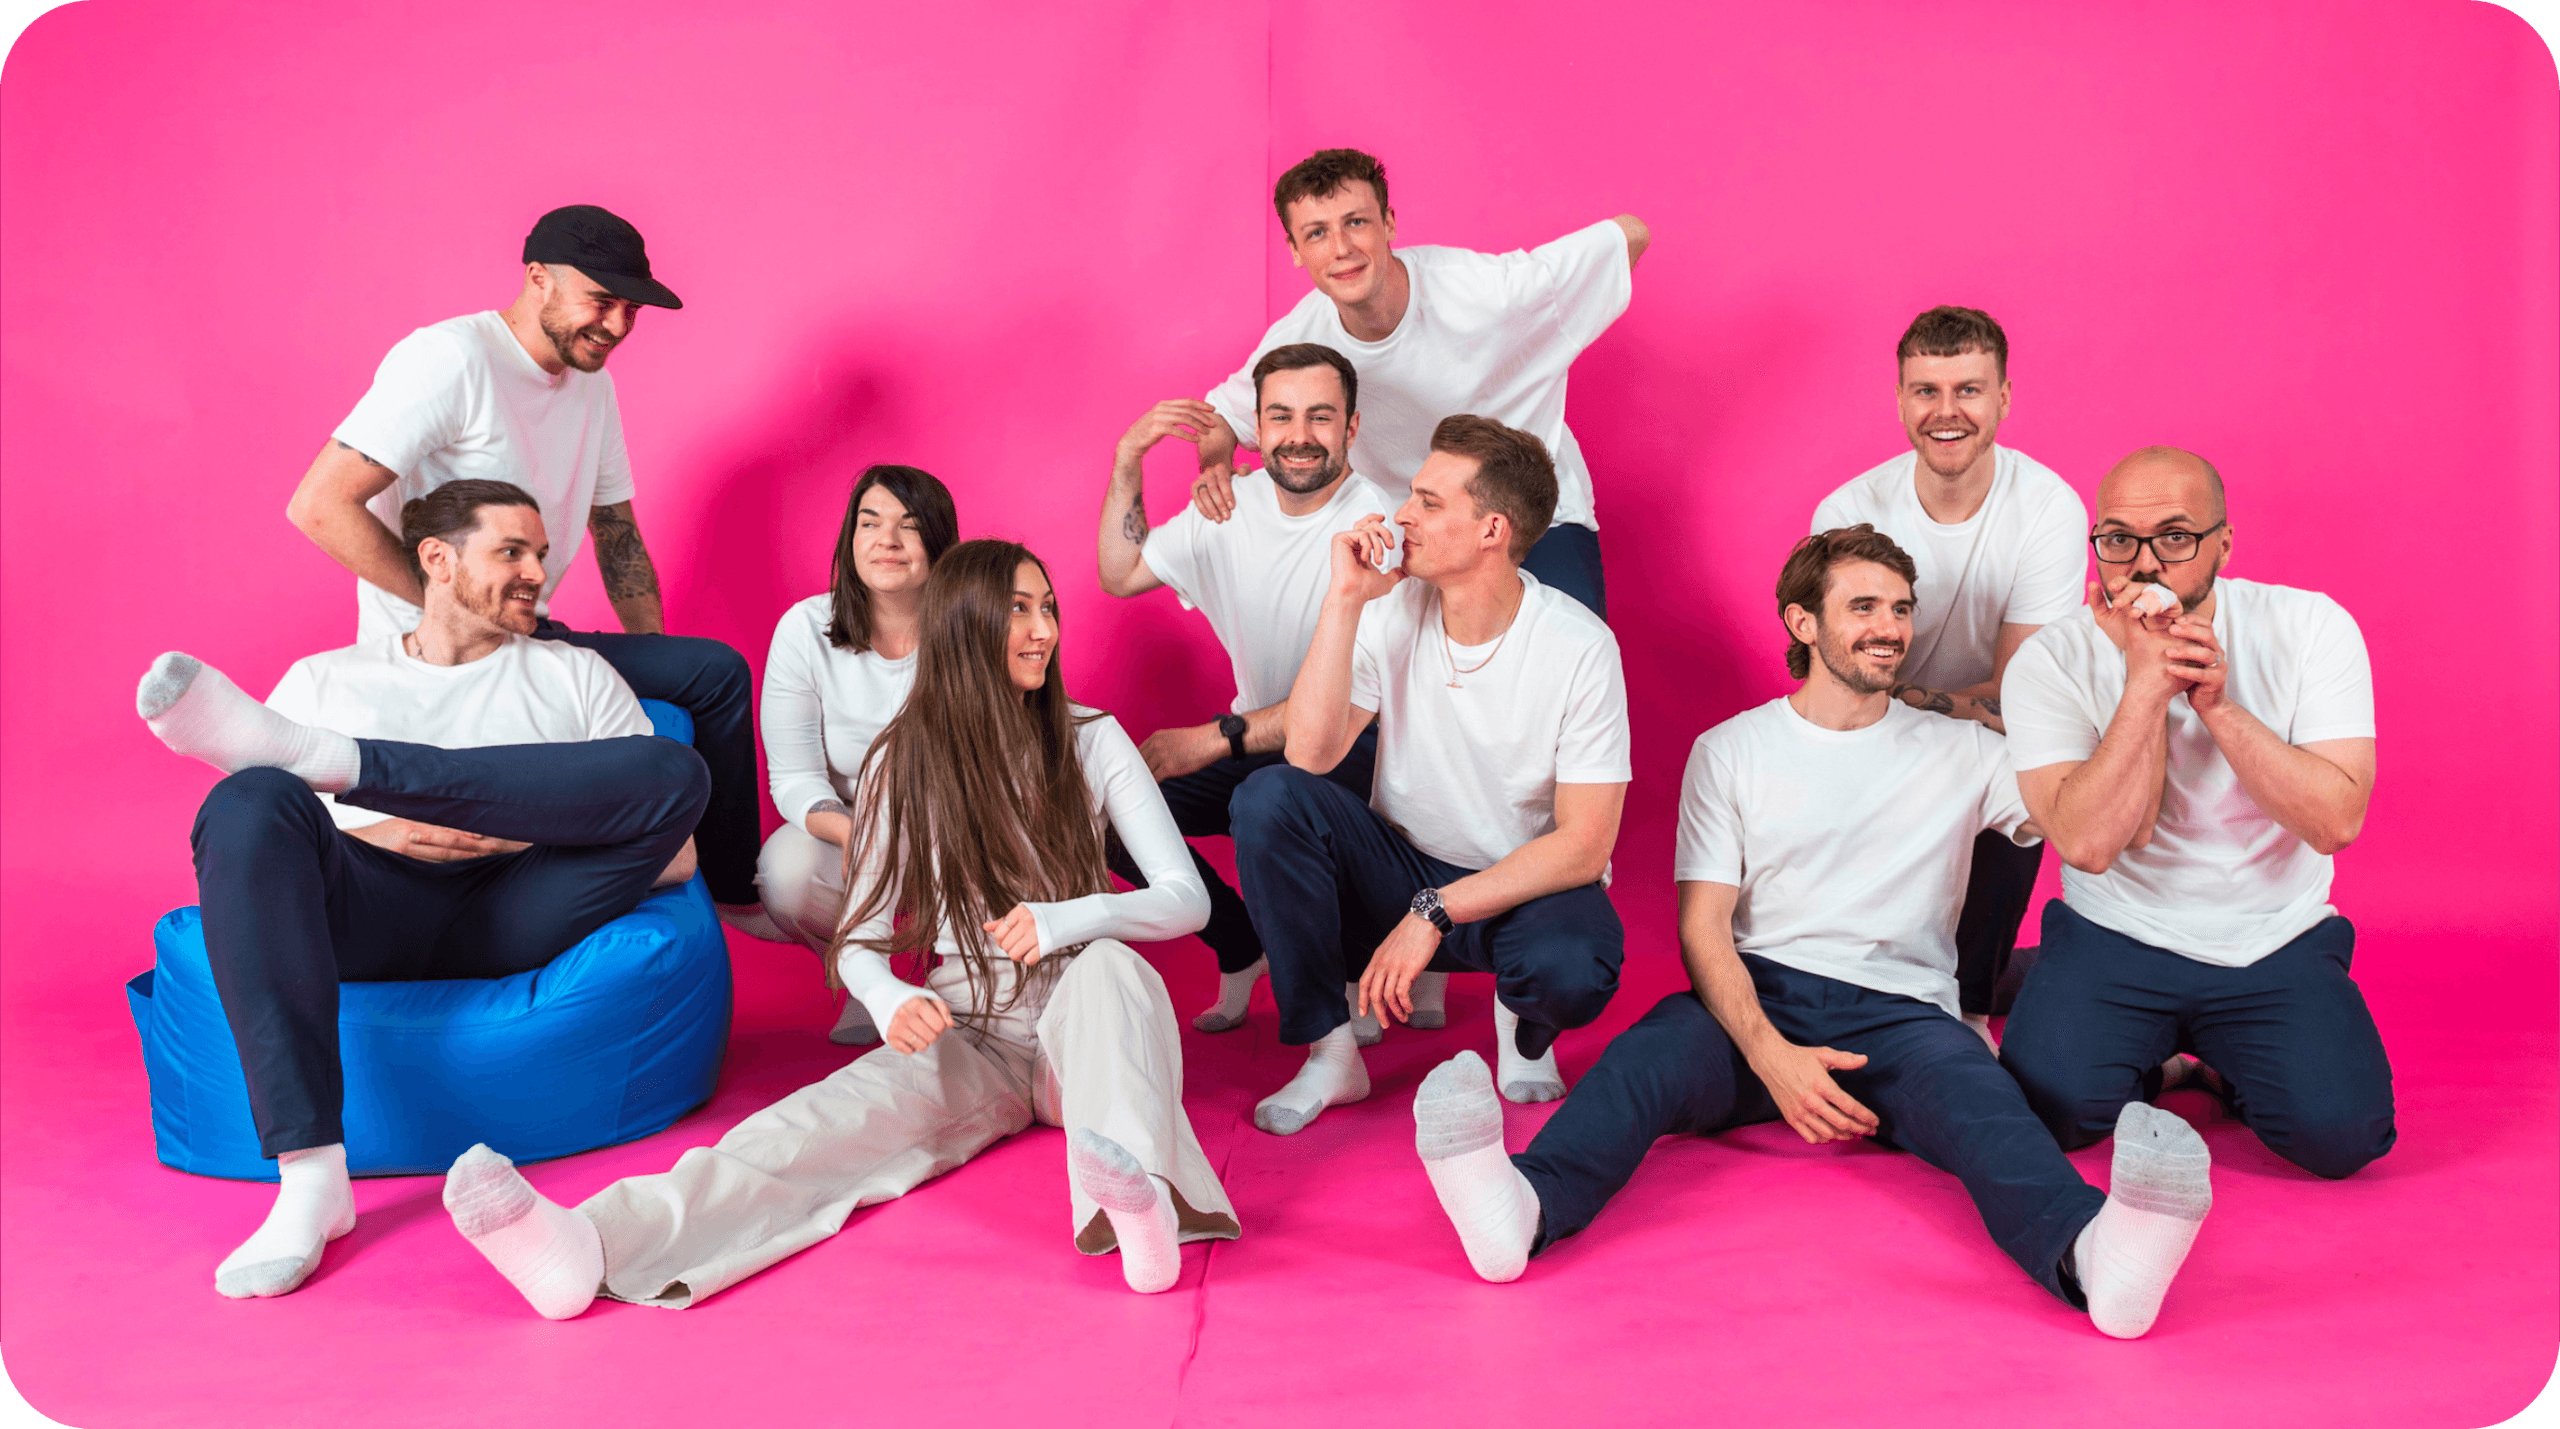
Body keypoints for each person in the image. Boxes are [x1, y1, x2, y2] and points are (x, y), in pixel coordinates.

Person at [1409, 526, 2214, 1340]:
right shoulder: (1731, 751)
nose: (1889, 626)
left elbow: (2091, 823)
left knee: (1989, 1107)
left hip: (1904, 1014)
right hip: (1756, 998)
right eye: (1862, 605)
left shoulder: (1970, 752)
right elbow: (1703, 930)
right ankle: (1525, 1207)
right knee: (1641, 1065)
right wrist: (1772, 1058)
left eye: (1900, 608)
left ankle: (2092, 1257)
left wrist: (2134, 676)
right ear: (1803, 623)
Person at [442, 540, 1240, 1317]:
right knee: (814, 1124)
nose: (1044, 630)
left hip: (1087, 1022)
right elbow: (860, 933)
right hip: (972, 1030)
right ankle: (594, 1246)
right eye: (1019, 610)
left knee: (1108, 965)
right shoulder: (906, 760)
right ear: (965, 625)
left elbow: (1185, 899)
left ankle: (1142, 1214)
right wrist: (887, 992)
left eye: (1048, 608)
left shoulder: (1091, 737)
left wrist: (1068, 917)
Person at [135, 480, 708, 1301]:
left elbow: (678, 849)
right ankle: (311, 1179)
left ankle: (356, 764)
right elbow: (250, 868)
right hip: (371, 902)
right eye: (511, 551)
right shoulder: (326, 679)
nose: (535, 573)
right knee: (244, 798)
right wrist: (376, 830)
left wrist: (517, 832)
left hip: (523, 899)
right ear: (437, 560)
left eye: (541, 555)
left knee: (674, 769)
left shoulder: (574, 674)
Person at [283, 204, 767, 934]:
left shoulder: (591, 383)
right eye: (600, 301)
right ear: (536, 277)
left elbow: (617, 531)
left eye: (630, 309)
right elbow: (319, 504)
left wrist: (650, 655)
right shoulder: (451, 359)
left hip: (528, 628)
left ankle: (736, 892)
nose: (616, 325)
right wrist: (444, 607)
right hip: (436, 640)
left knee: (714, 672)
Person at [1997, 448, 2392, 1180]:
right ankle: (2171, 1063)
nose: (2143, 564)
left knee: (2343, 1136)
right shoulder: (2050, 660)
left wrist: (2215, 705)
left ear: (2224, 543)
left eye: (2175, 537)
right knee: (2047, 1111)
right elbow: (2089, 842)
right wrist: (2142, 681)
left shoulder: (2309, 627)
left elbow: (2336, 819)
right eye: (2118, 539)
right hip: (2117, 930)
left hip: (2272, 937)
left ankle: (2215, 1057)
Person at [1234, 415, 1630, 1132]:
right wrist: (1345, 599)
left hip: (1516, 887)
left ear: (1492, 530)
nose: (1402, 516)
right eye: (1410, 496)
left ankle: (1525, 1019)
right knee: (1267, 799)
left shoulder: (1579, 646)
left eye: (1429, 501)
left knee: (1574, 966)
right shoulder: (1394, 610)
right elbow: (1310, 757)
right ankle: (1331, 1054)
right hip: (1397, 867)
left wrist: (1436, 912)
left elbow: (1585, 845)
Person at [1096, 342, 1432, 1035]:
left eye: (1319, 417)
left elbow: (1334, 716)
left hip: (1366, 751)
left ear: (1352, 428)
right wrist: (1129, 455)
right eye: (1280, 417)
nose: (1299, 436)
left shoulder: (1383, 531)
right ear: (1258, 424)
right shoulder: (1231, 508)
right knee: (1104, 809)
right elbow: (1121, 570)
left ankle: (1352, 969)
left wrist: (1213, 738)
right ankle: (1239, 943)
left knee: (1268, 800)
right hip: (1258, 740)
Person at [1184, 149, 1646, 618]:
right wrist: (1214, 466)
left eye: (1357, 223)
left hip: (1532, 517)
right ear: (1296, 251)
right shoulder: (1300, 342)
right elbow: (1220, 417)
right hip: (1412, 538)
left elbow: (1632, 233)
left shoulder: (1487, 292)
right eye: (1318, 233)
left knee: (1563, 670)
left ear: (1389, 223)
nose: (1341, 248)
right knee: (1417, 684)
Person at [1809, 306, 2088, 1040]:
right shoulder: (1850, 511)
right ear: (1900, 399)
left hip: (1988, 737)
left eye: (1968, 389)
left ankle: (1969, 1011)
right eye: (1925, 390)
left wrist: (1911, 703)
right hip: (1872, 737)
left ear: (2004, 397)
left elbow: (2026, 695)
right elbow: (1835, 682)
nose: (1946, 411)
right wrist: (1900, 713)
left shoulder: (2048, 508)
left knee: (2027, 761)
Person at [758, 465, 961, 1046]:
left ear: (939, 543)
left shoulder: (971, 627)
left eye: (910, 526)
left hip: (953, 827)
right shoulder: (805, 628)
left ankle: (962, 979)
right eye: (869, 523)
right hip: (849, 828)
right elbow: (794, 777)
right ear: (851, 539)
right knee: (787, 872)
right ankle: (860, 972)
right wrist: (856, 835)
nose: (886, 541)